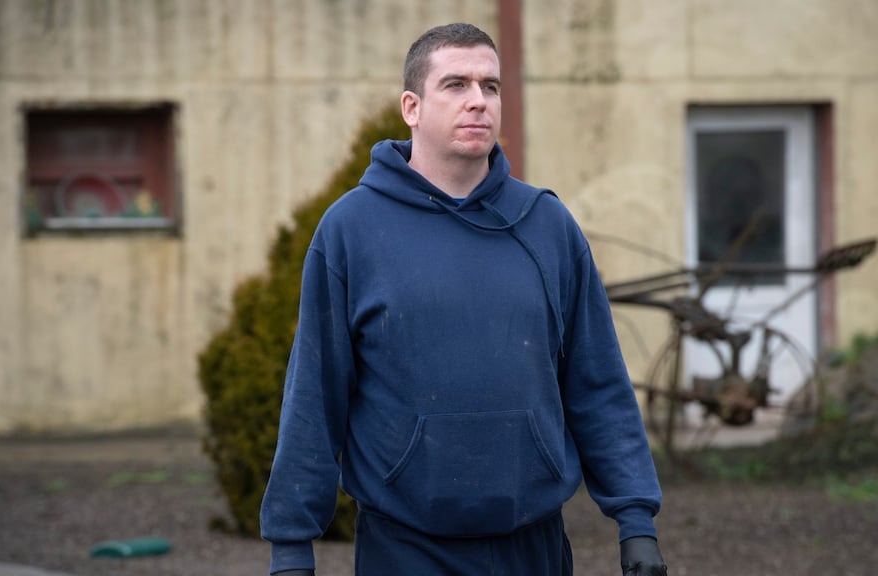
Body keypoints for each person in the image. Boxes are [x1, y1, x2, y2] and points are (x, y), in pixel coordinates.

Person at [260, 22, 667, 576]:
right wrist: (291, 547)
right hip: (405, 547)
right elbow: (315, 394)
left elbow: (597, 383)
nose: (478, 101)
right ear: (412, 106)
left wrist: (635, 519)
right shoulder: (352, 231)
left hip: (534, 545)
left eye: (491, 86)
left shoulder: (547, 225)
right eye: (456, 85)